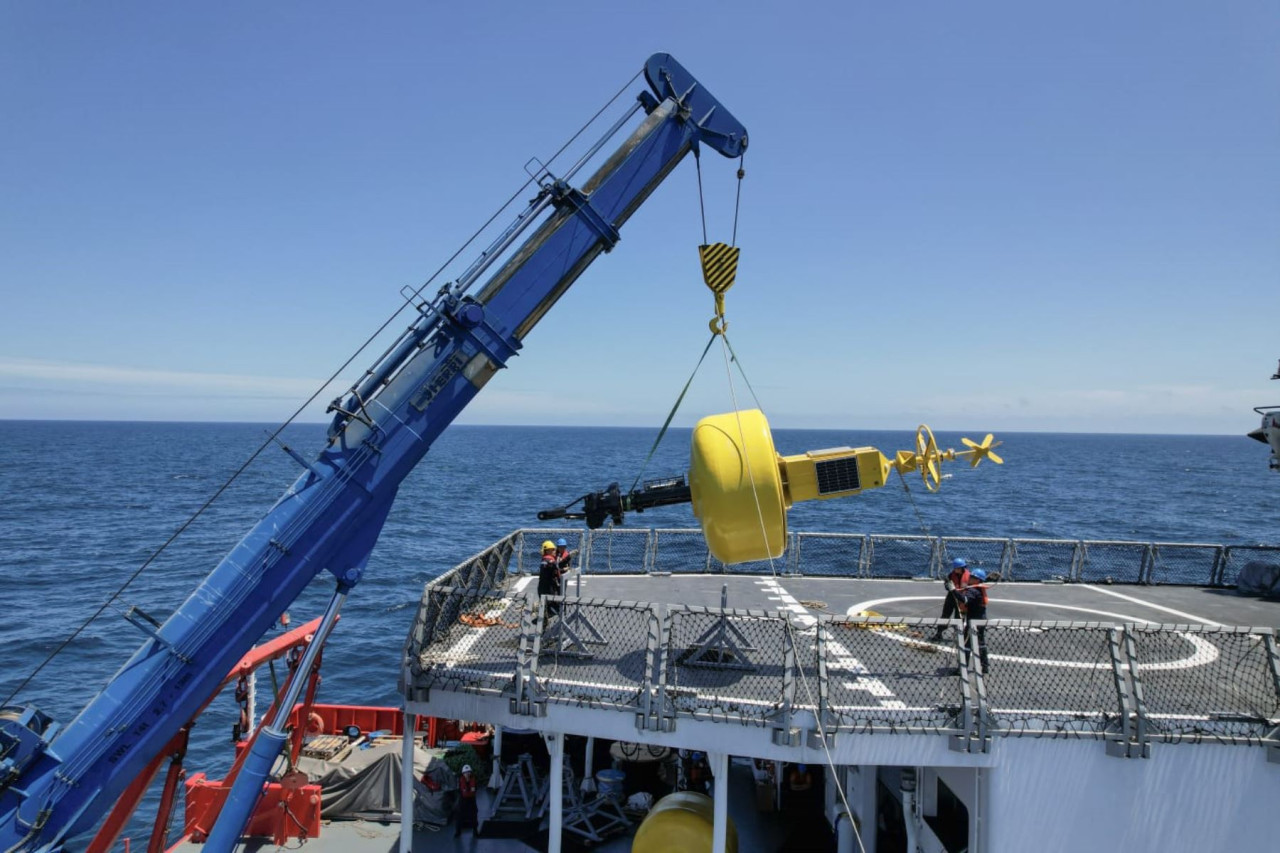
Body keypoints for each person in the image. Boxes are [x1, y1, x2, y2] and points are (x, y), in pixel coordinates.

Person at [955, 568, 991, 674]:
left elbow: (964, 600)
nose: (969, 578)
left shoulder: (973, 591)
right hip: (981, 621)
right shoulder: (978, 589)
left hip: (973, 622)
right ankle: (984, 666)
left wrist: (953, 590)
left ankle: (962, 668)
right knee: (980, 643)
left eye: (972, 577)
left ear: (977, 580)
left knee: (966, 645)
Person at [930, 557, 972, 642]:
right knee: (945, 615)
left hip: (961, 599)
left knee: (959, 618)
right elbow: (947, 585)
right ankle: (939, 633)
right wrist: (947, 585)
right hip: (951, 597)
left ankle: (960, 637)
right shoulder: (951, 575)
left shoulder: (969, 577)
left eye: (956, 568)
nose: (955, 570)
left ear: (960, 568)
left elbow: (971, 589)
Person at [537, 540, 563, 615]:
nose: (555, 551)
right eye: (553, 549)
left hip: (542, 587)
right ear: (548, 551)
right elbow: (556, 568)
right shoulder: (550, 561)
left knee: (545, 605)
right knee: (552, 606)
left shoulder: (544, 560)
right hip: (549, 588)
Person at [454, 764, 478, 837]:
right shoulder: (460, 781)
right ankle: (458, 832)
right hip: (463, 800)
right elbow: (458, 791)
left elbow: (475, 789)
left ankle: (475, 831)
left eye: (469, 772)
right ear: (463, 773)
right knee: (460, 816)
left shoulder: (474, 780)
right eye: (465, 772)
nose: (467, 774)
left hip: (471, 800)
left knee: (473, 815)